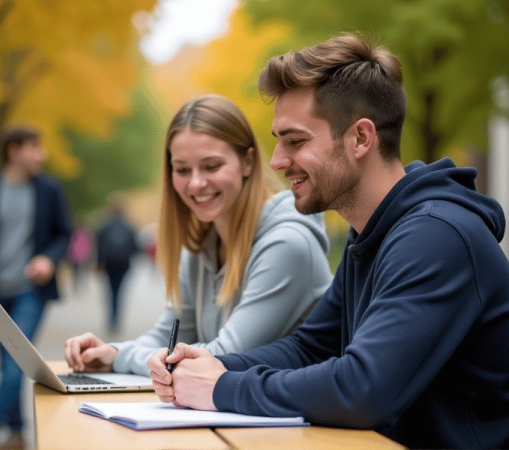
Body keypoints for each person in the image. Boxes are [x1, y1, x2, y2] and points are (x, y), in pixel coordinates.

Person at [148, 34, 509, 449]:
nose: (277, 161)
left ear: (360, 138)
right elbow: (310, 347)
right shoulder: (374, 231)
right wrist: (208, 365)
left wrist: (222, 387)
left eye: (296, 141)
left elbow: (362, 390)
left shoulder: (436, 236)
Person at [64, 94, 333, 378]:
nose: (195, 183)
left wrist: (125, 358)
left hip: (296, 419)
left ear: (247, 163)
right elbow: (168, 337)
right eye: (182, 169)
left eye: (212, 166)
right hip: (231, 413)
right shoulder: (198, 246)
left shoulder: (288, 244)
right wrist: (111, 352)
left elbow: (224, 355)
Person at [0, 125, 71, 449]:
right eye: (34, 148)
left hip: (30, 290)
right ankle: (17, 434)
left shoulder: (49, 190)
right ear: (13, 151)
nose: (41, 155)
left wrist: (48, 259)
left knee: (16, 360)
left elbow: (64, 232)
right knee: (8, 363)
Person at [95, 193, 140, 331]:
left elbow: (99, 246)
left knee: (110, 291)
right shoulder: (130, 226)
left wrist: (99, 263)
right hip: (124, 264)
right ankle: (116, 319)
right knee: (120, 291)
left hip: (109, 263)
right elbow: (135, 248)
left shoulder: (104, 225)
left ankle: (111, 318)